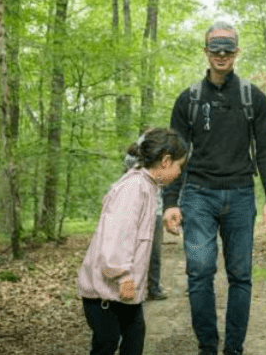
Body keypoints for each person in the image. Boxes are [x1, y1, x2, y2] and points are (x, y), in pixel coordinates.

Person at [162, 21, 266, 355]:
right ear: (206, 52)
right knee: (199, 272)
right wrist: (170, 202)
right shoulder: (188, 99)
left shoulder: (253, 98)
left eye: (228, 50)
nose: (222, 55)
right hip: (198, 197)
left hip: (241, 197)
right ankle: (207, 347)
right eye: (215, 49)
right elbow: (174, 156)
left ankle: (234, 349)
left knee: (240, 275)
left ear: (236, 52)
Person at [78, 128, 188, 355]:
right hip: (105, 293)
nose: (179, 173)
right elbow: (117, 235)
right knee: (106, 343)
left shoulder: (147, 186)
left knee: (135, 337)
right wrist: (122, 275)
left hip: (123, 293)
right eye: (180, 166)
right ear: (166, 162)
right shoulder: (134, 188)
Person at [125, 139, 168, 301]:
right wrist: (145, 138)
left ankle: (154, 288)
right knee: (135, 251)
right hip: (136, 210)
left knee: (154, 253)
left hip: (155, 211)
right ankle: (136, 287)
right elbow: (130, 157)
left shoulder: (159, 164)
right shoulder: (134, 163)